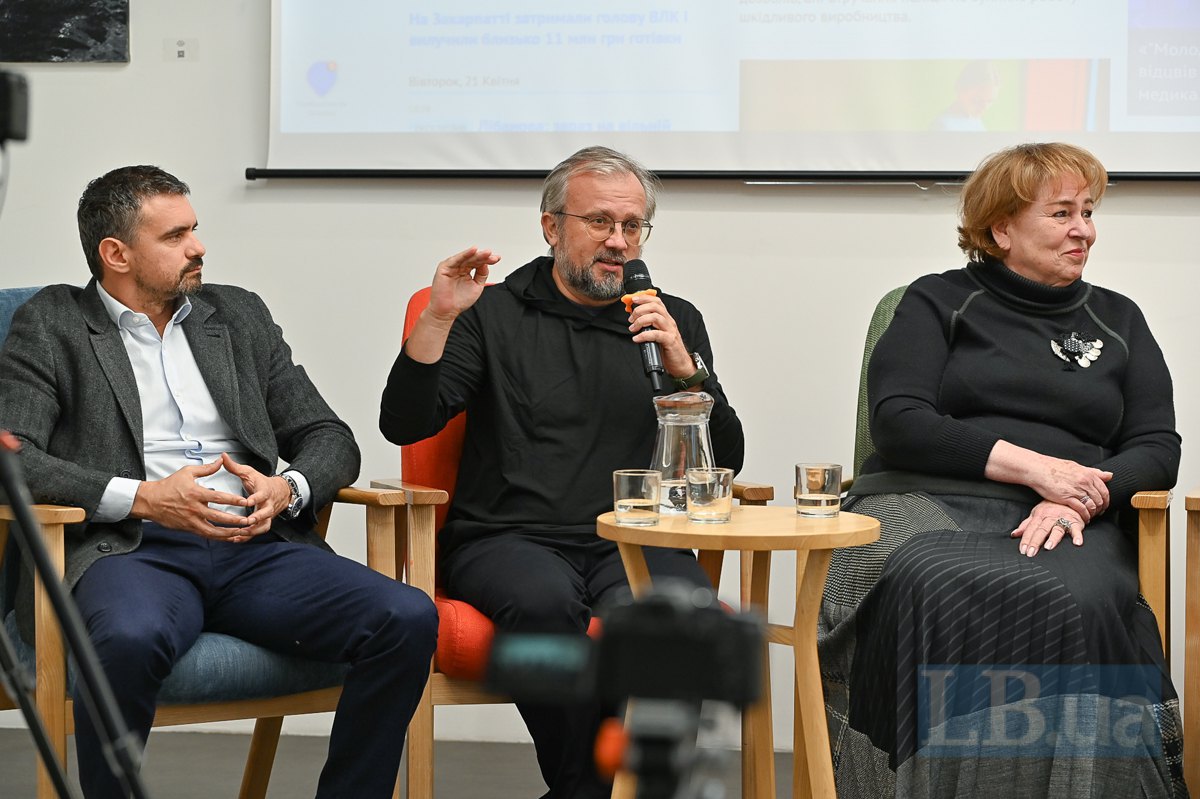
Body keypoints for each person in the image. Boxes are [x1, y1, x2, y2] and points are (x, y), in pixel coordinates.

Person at [0, 165, 439, 799]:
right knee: (128, 638)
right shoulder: (52, 323)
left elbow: (328, 435)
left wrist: (288, 488)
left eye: (195, 229)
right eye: (175, 236)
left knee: (405, 616)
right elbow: (15, 459)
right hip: (131, 549)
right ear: (116, 254)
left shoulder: (236, 315)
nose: (198, 247)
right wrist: (144, 498)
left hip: (255, 547)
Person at [819, 142, 1185, 797]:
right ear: (1002, 229)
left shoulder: (1119, 319)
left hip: (1070, 513)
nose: (1083, 230)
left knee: (1072, 598)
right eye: (1062, 213)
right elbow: (899, 418)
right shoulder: (935, 301)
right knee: (931, 577)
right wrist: (1037, 469)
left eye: (1088, 212)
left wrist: (1077, 497)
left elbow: (1157, 447)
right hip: (923, 496)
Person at [379, 145, 744, 798]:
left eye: (632, 226)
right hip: (507, 538)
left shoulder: (670, 320)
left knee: (684, 617)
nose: (618, 241)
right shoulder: (490, 312)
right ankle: (587, 789)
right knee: (543, 604)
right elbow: (405, 422)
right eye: (599, 221)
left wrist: (685, 366)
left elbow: (726, 459)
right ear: (552, 226)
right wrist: (437, 317)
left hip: (631, 538)